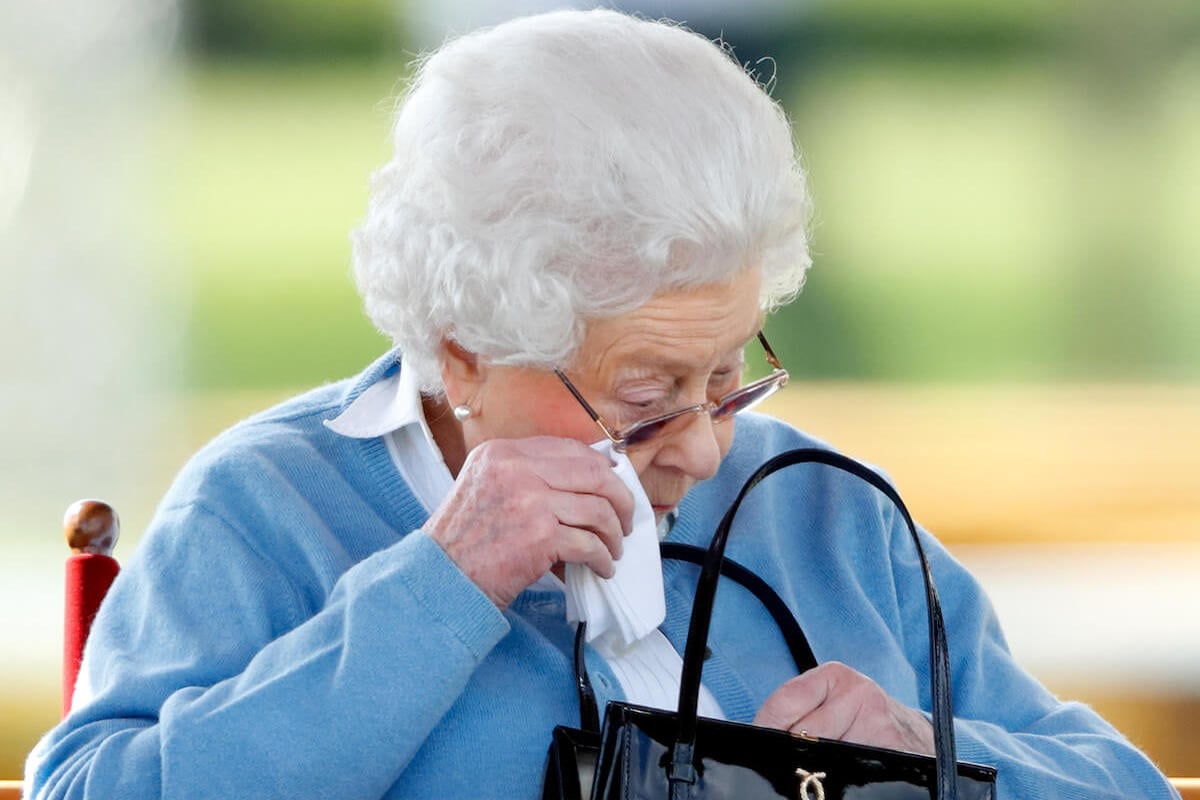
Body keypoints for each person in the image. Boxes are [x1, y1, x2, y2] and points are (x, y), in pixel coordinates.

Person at [25, 9, 1177, 799]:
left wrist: (936, 755)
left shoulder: (824, 514)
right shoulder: (273, 507)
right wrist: (441, 585)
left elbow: (1117, 779)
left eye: (728, 371)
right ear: (462, 351)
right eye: (645, 395)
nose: (705, 442)